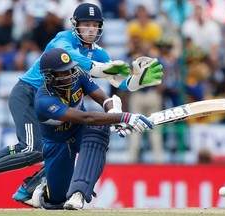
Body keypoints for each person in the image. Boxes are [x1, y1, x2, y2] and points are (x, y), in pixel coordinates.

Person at [0, 3, 163, 207]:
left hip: (63, 99)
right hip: (30, 95)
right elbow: (74, 58)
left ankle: (26, 187)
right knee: (34, 149)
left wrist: (135, 82)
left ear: (101, 27)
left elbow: (116, 80)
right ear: (75, 25)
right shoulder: (62, 40)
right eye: (85, 24)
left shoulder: (99, 52)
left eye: (94, 25)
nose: (90, 29)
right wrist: (117, 107)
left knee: (61, 145)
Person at [33, 47, 153, 210]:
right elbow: (86, 117)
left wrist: (113, 112)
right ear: (50, 76)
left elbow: (103, 99)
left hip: (80, 130)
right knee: (56, 201)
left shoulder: (78, 74)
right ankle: (43, 186)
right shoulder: (43, 100)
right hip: (57, 143)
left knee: (99, 129)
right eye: (63, 72)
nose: (70, 73)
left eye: (70, 68)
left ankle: (79, 192)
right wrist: (124, 117)